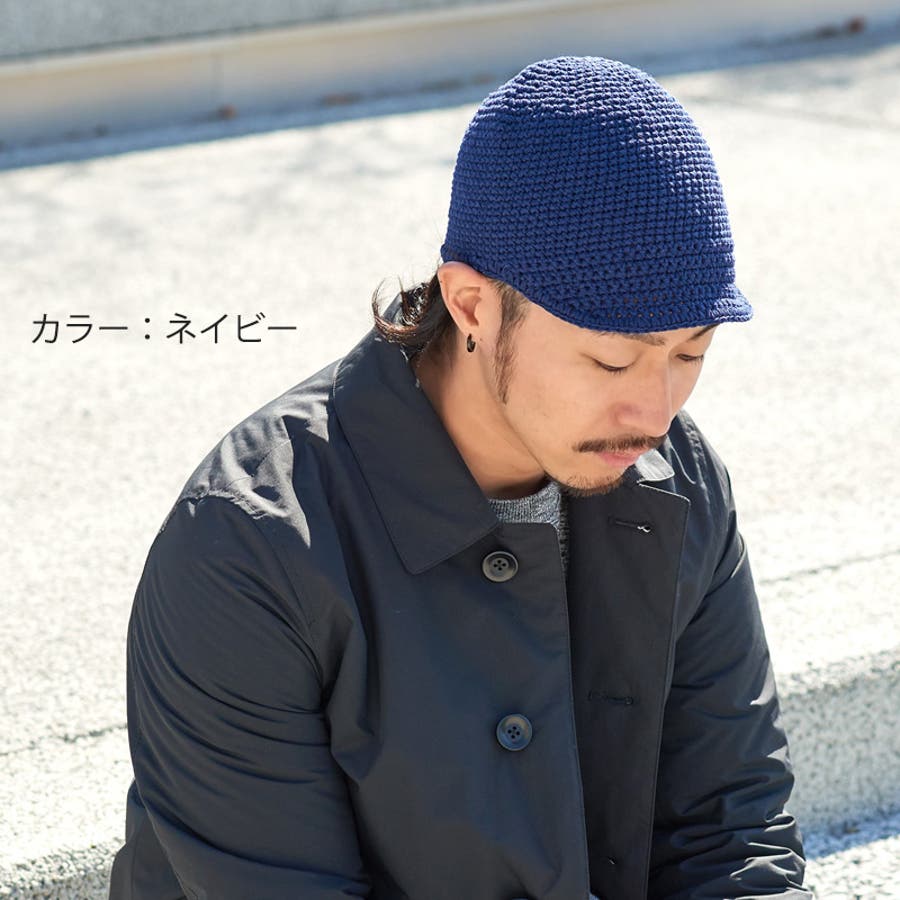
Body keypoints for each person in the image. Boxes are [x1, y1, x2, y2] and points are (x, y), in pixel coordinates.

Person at [109, 55, 812, 899]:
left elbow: (732, 833)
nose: (655, 412)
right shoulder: (249, 546)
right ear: (473, 304)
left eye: (691, 354)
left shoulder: (677, 480)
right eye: (611, 359)